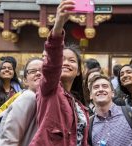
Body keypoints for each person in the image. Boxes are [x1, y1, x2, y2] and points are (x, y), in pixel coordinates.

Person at [29, 1, 89, 145]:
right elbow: (52, 65)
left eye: (72, 61)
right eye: (62, 59)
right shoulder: (50, 89)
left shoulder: (80, 106)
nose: (66, 63)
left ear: (79, 71)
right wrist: (58, 26)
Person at [89, 75, 132, 146]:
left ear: (113, 93)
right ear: (90, 95)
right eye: (96, 87)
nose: (100, 89)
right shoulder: (89, 125)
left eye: (105, 86)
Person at [0, 57, 43, 146]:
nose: (38, 73)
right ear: (25, 80)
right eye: (32, 71)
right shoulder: (29, 97)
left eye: (43, 70)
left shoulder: (43, 100)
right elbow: (9, 140)